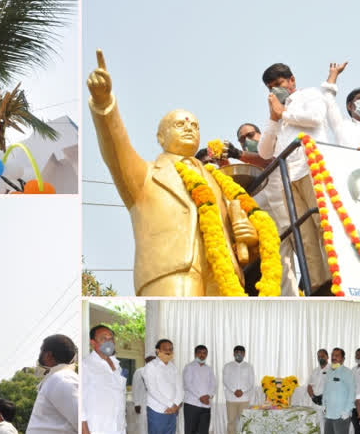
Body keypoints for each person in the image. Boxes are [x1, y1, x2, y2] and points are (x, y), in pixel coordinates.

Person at [87, 49, 259, 296]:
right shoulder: (146, 175)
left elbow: (240, 237)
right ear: (160, 136)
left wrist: (249, 238)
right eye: (180, 124)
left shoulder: (218, 181)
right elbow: (116, 148)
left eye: (194, 125)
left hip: (225, 275)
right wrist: (104, 103)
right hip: (170, 270)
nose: (189, 128)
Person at [257, 62, 330, 296]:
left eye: (279, 84)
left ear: (292, 81)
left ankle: (336, 277)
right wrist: (273, 119)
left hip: (313, 169)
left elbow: (316, 118)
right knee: (305, 235)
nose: (276, 90)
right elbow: (264, 153)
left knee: (323, 225)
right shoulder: (278, 115)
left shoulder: (309, 95)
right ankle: (318, 285)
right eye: (271, 87)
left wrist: (284, 113)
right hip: (290, 178)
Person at [24, 334, 79, 434]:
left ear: (48, 355)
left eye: (41, 351)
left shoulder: (62, 379)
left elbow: (81, 420)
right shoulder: (55, 378)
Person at [81, 325, 126, 434]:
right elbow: (80, 402)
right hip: (98, 431)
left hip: (119, 428)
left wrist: (123, 427)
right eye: (103, 338)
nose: (109, 342)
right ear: (93, 343)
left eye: (111, 338)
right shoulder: (86, 365)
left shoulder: (116, 364)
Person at [143, 339, 183, 434]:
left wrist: (177, 404)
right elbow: (153, 389)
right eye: (165, 348)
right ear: (157, 350)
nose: (168, 351)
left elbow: (179, 386)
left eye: (170, 348)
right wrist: (169, 404)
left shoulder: (173, 367)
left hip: (172, 411)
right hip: (157, 410)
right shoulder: (150, 367)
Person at [322, 348, 355, 434]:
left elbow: (352, 392)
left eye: (337, 356)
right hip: (329, 412)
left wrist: (347, 410)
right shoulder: (329, 371)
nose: (334, 358)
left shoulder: (347, 373)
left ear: (343, 358)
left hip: (341, 413)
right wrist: (324, 404)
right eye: (332, 355)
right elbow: (326, 390)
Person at [182, 345, 216, 434]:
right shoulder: (189, 367)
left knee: (203, 431)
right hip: (192, 403)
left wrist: (209, 395)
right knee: (191, 431)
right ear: (195, 354)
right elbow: (187, 384)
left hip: (206, 405)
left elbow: (213, 384)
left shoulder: (209, 369)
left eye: (204, 353)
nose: (202, 355)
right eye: (200, 353)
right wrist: (200, 396)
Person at [222, 345, 255, 434]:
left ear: (244, 354)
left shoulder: (249, 366)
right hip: (231, 398)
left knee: (244, 422)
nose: (239, 355)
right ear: (233, 353)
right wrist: (234, 391)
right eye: (237, 352)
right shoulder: (228, 366)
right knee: (231, 421)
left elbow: (251, 382)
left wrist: (243, 391)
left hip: (244, 399)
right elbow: (225, 380)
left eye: (241, 353)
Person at [131, 355, 155, 434]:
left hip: (156, 404)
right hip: (143, 402)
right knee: (143, 425)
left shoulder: (158, 372)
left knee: (154, 426)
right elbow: (135, 387)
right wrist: (136, 403)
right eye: (149, 360)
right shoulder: (140, 371)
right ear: (146, 361)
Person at [308, 348, 331, 434]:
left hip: (328, 403)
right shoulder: (315, 371)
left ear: (327, 357)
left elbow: (334, 386)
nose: (320, 358)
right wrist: (313, 397)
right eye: (319, 356)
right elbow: (309, 386)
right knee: (320, 426)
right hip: (316, 402)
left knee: (329, 427)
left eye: (322, 356)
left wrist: (324, 397)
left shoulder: (332, 369)